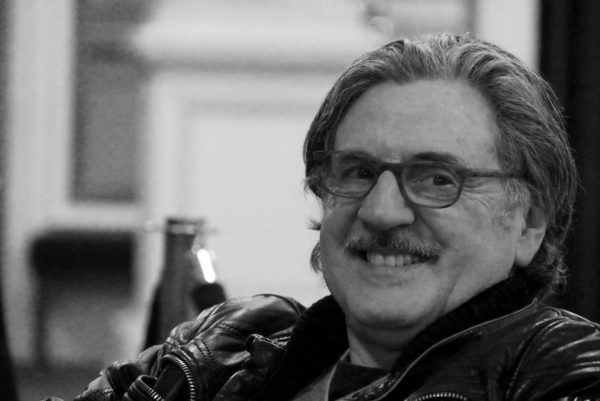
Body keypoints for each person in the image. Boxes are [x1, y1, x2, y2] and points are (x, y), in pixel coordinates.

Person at [66, 33, 600, 401]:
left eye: (437, 178)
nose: (381, 211)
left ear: (529, 222)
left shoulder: (563, 370)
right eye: (358, 172)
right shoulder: (224, 347)